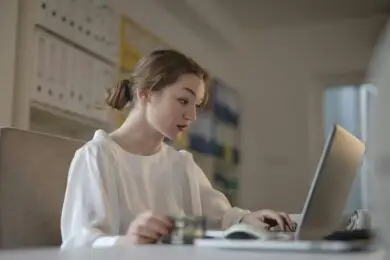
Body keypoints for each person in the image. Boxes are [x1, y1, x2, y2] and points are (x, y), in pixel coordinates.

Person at [60, 49, 295, 249]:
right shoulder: (98, 156)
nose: (192, 116)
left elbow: (221, 217)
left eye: (197, 106)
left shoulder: (181, 164)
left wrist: (248, 219)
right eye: (183, 101)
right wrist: (126, 241)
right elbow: (77, 243)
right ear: (146, 94)